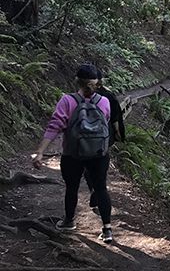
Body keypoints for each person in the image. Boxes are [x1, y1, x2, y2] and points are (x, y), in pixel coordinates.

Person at [31, 64, 114, 243]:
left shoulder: (67, 101)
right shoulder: (104, 101)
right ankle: (107, 230)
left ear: (76, 80)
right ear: (98, 83)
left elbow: (55, 126)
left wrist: (40, 151)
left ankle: (69, 222)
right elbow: (105, 123)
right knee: (100, 188)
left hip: (72, 153)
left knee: (72, 188)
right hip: (99, 154)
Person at [85, 69, 125, 209]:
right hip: (103, 136)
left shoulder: (81, 96)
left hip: (85, 136)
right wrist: (118, 133)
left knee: (87, 166)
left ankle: (93, 188)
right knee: (100, 162)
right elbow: (115, 118)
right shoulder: (108, 96)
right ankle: (98, 187)